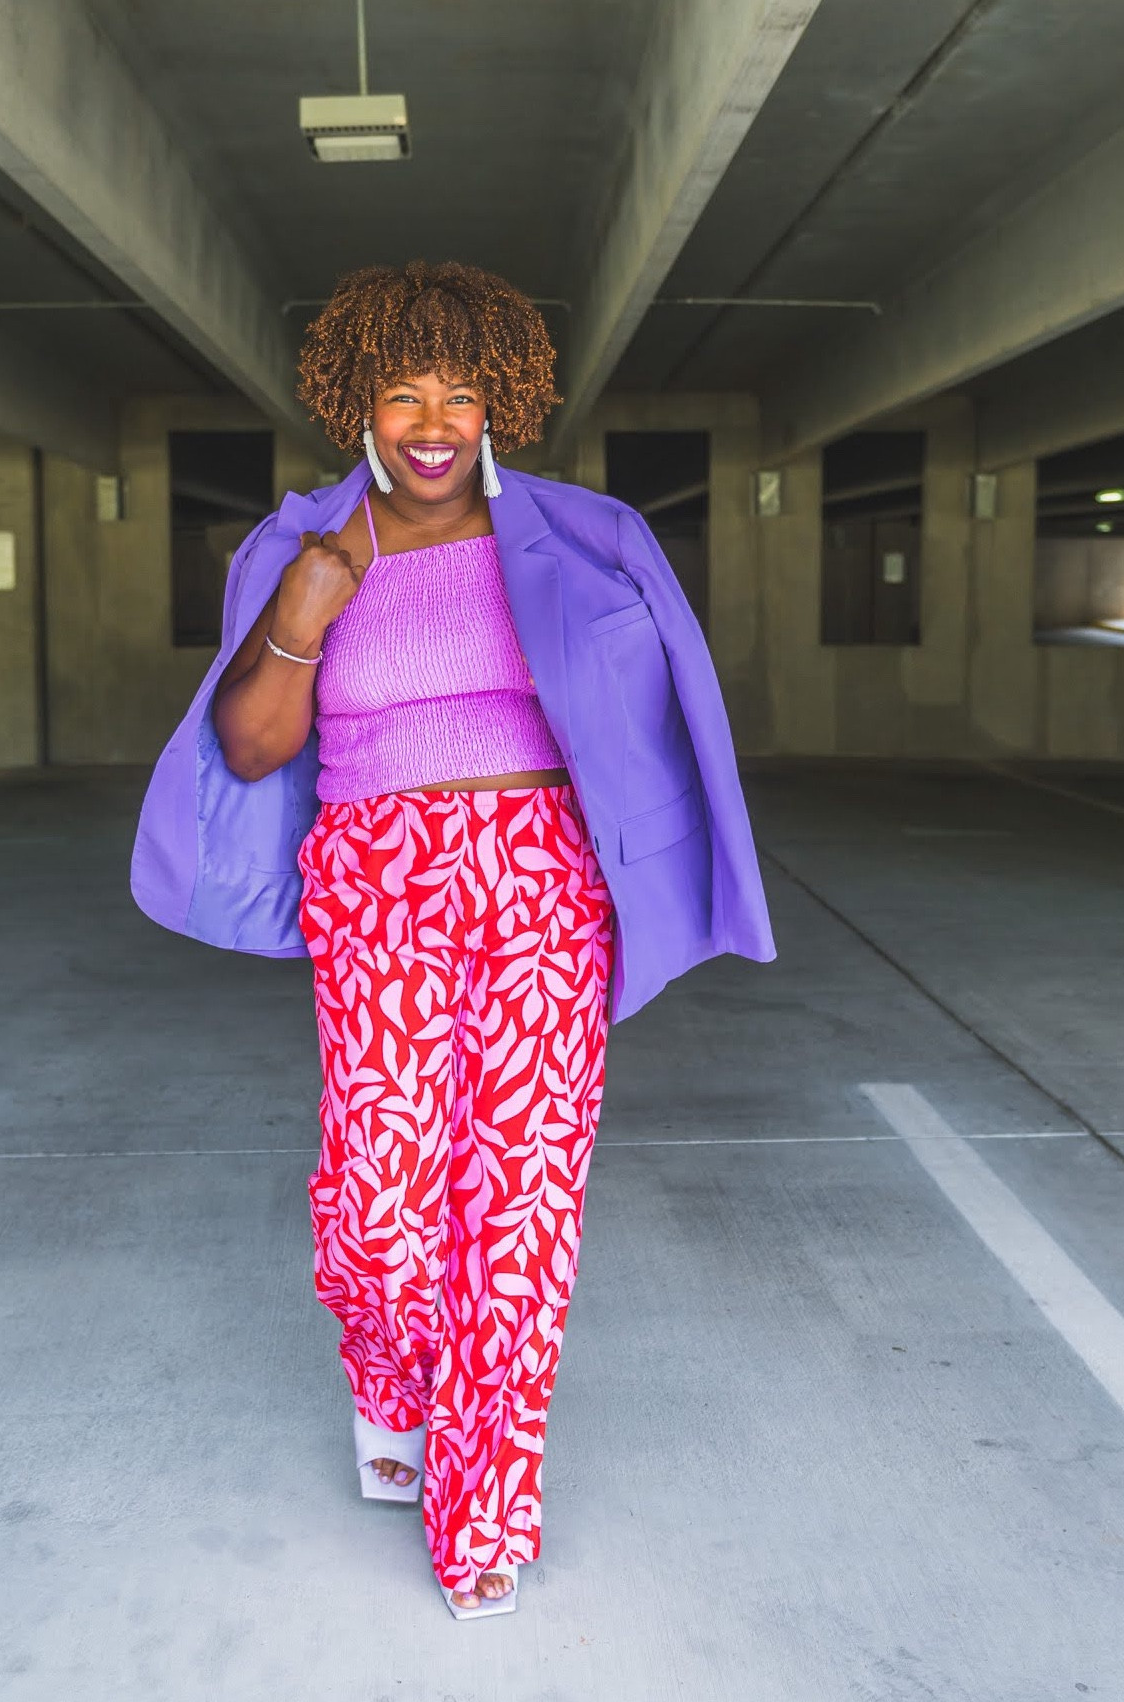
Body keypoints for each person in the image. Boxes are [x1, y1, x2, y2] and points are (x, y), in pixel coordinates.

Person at [131, 260, 774, 1620]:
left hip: (544, 888)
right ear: (356, 403)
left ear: (503, 404)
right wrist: (301, 616)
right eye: (403, 393)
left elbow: (669, 721)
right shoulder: (301, 545)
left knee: (520, 1209)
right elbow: (249, 748)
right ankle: (390, 1383)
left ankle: (482, 1514)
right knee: (380, 1214)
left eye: (463, 394)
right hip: (376, 886)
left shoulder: (589, 537)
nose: (434, 423)